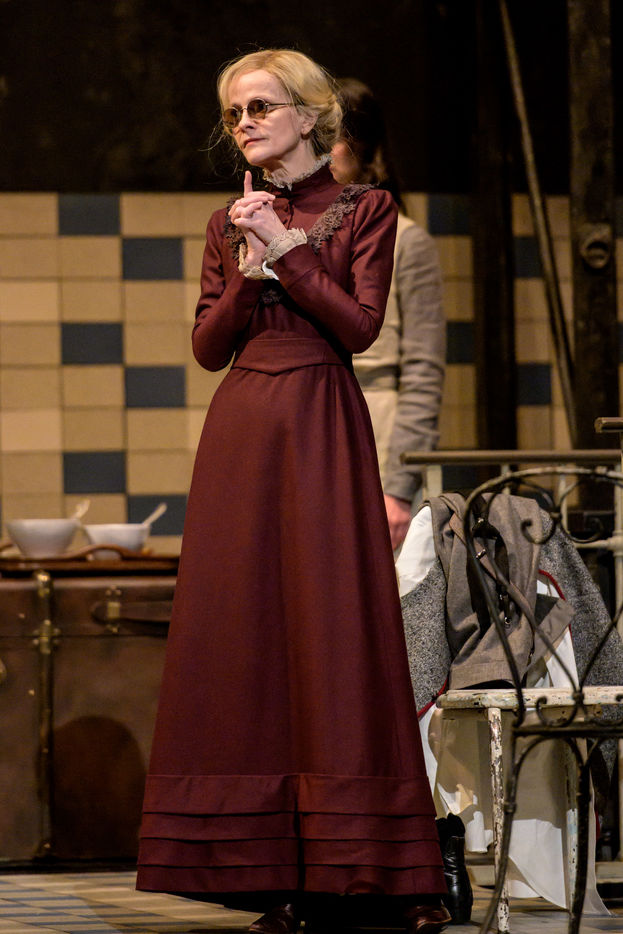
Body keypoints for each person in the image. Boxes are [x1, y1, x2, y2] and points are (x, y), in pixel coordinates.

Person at [136, 49, 448, 934]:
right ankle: (266, 868)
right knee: (247, 634)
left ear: (309, 117)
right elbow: (208, 347)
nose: (244, 123)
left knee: (334, 632)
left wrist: (288, 251)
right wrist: (246, 266)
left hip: (319, 420)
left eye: (261, 107)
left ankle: (370, 870)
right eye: (233, 112)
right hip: (243, 430)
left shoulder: (367, 209)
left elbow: (359, 327)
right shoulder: (224, 220)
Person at [330, 78, 445, 551]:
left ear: (365, 151)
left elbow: (423, 372)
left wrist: (398, 486)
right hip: (315, 424)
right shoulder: (293, 235)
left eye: (332, 138)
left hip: (375, 430)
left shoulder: (406, 240)